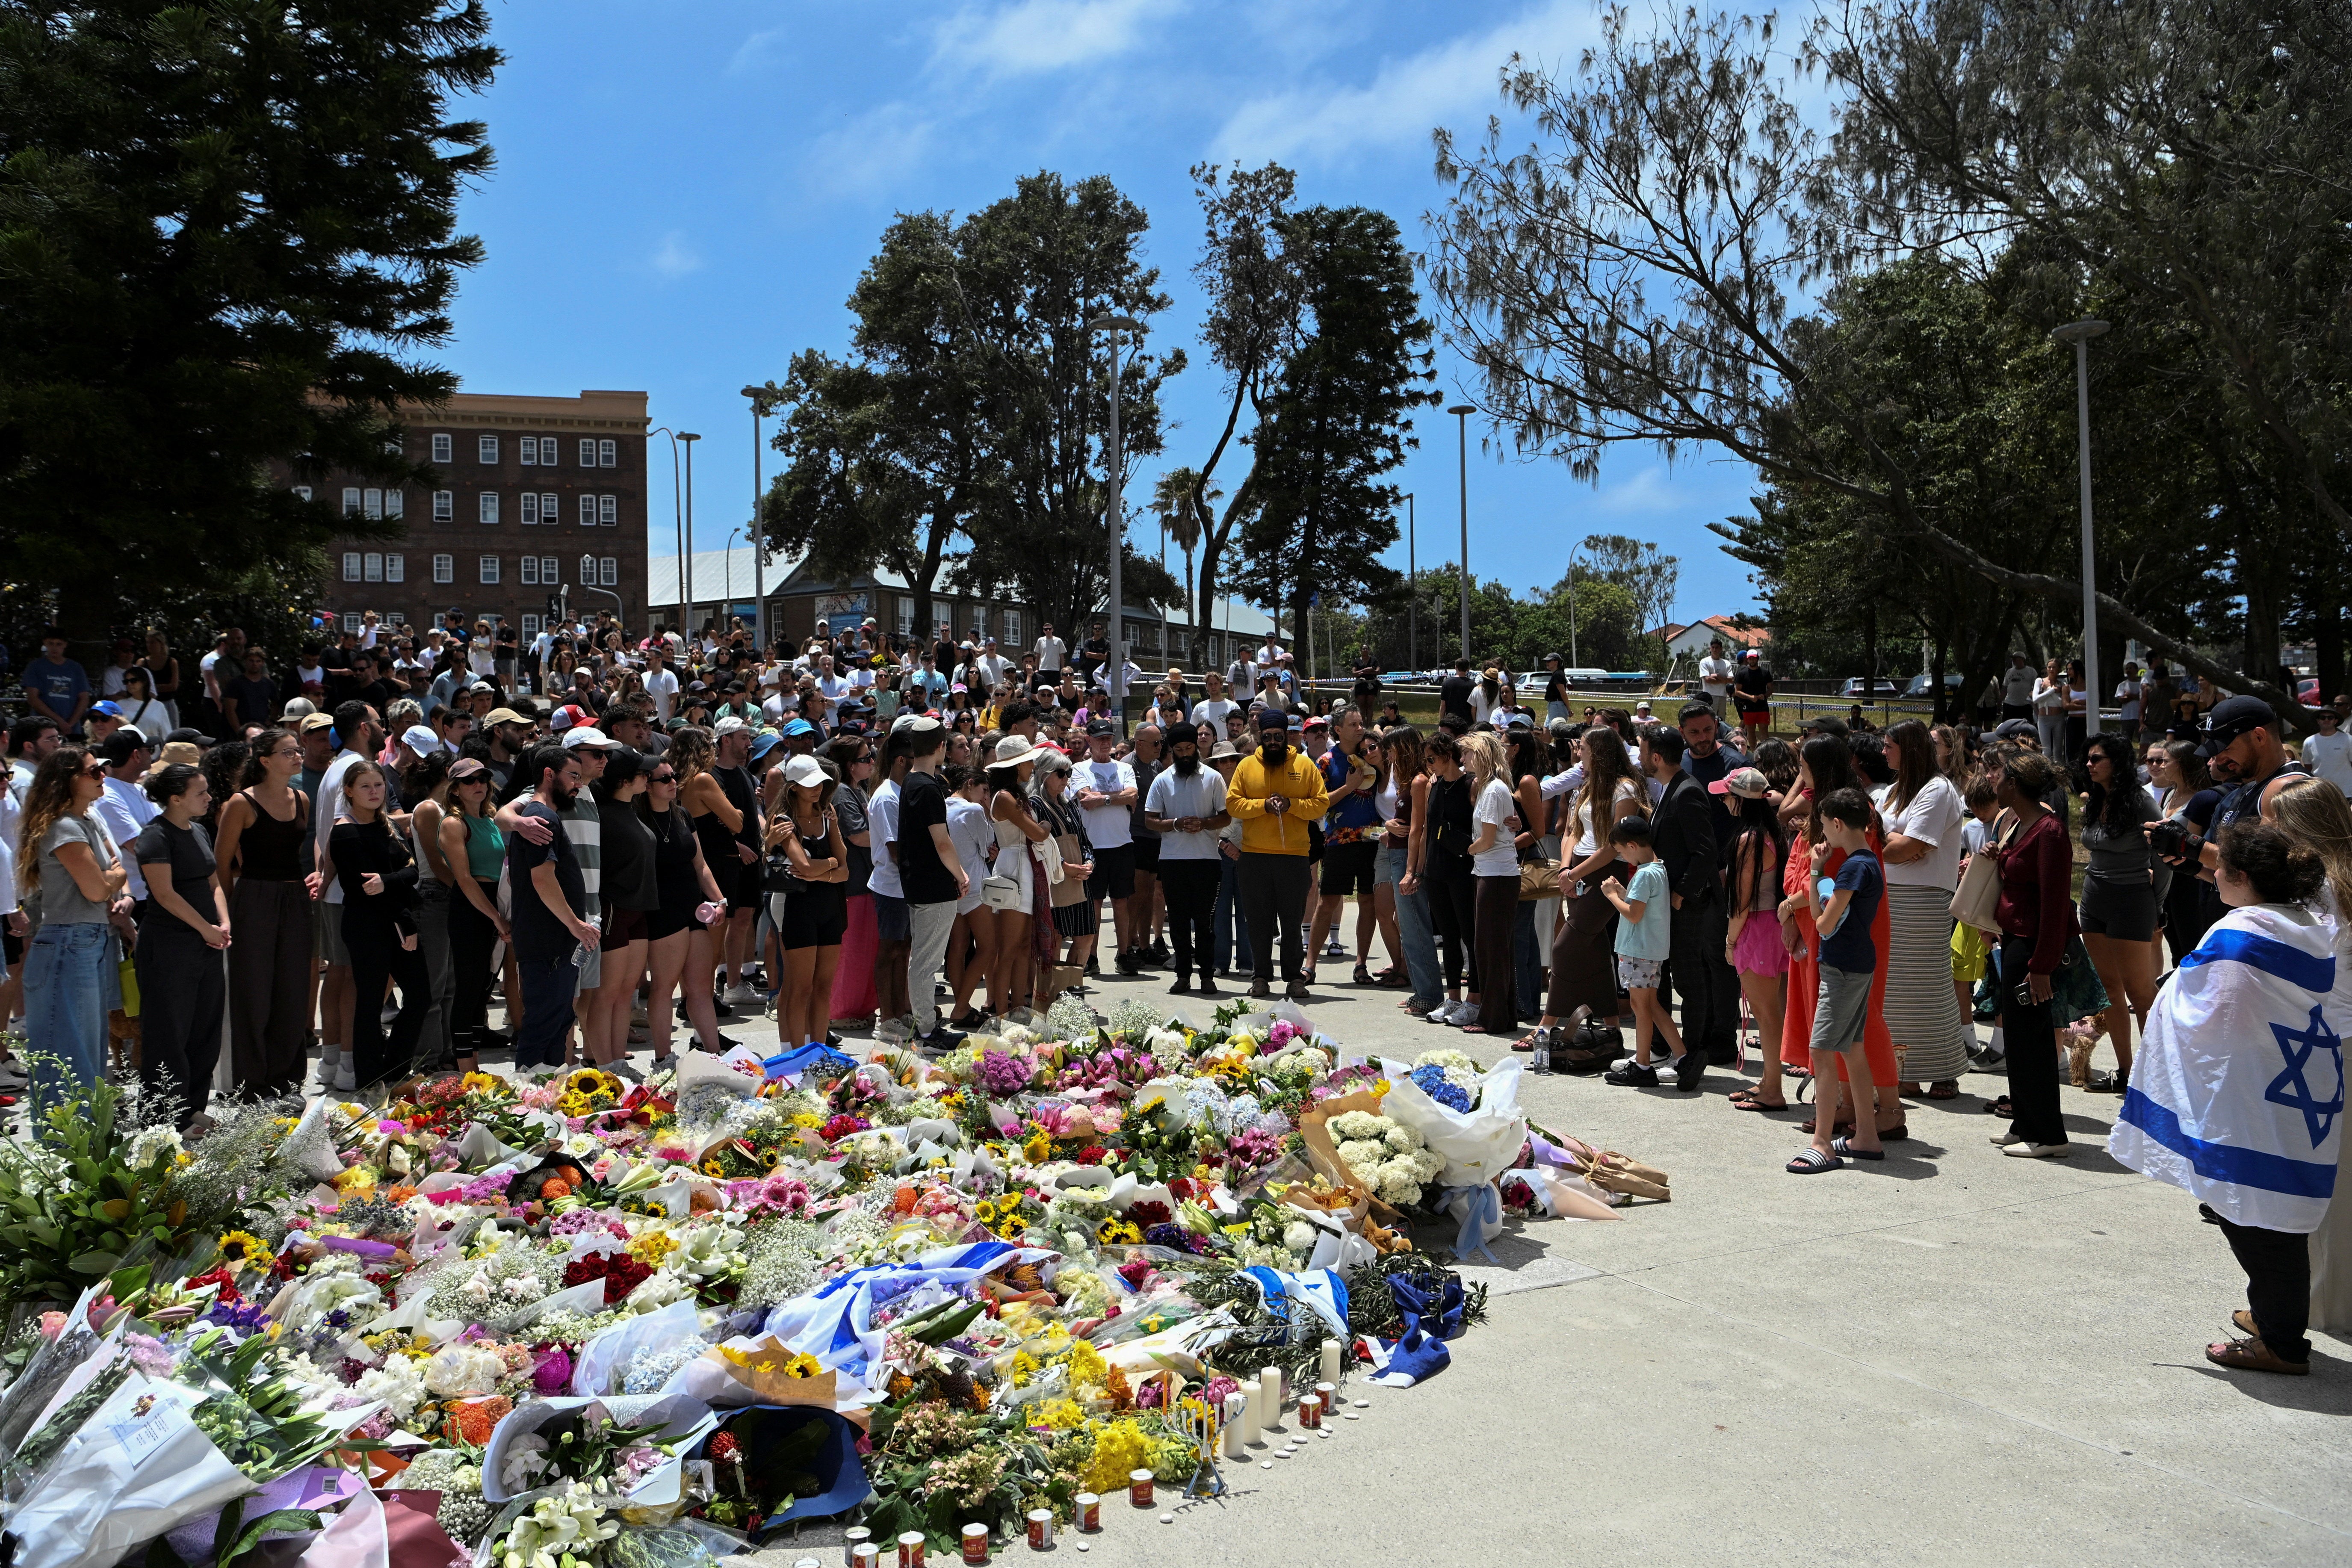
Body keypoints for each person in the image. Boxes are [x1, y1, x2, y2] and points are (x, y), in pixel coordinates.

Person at [2111, 822, 2350, 1375]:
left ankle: (2282, 1342)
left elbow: (2211, 1009)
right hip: (2299, 1087)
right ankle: (2275, 1314)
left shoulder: (2241, 932)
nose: (2211, 872)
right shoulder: (2304, 922)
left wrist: (2172, 986)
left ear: (2241, 878)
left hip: (2254, 1096)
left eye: (2220, 868)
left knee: (2248, 1212)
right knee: (2277, 1212)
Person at [18, 746, 127, 1108]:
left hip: (91, 938)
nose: (103, 777)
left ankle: (89, 1153)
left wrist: (111, 876)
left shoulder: (89, 819)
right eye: (94, 771)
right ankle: (61, 1153)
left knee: (91, 1056)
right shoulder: (63, 826)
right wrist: (116, 876)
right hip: (68, 942)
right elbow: (98, 887)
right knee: (67, 1057)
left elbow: (109, 874)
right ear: (68, 779)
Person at [1785, 788, 1888, 1172]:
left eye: (1825, 824)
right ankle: (1866, 1136)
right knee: (1852, 1050)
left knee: (1822, 1051)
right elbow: (1820, 915)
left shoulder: (1854, 868)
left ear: (1838, 824)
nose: (1823, 832)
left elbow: (1823, 924)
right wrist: (1815, 871)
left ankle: (1822, 1143)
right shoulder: (1863, 862)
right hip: (1853, 964)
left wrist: (1823, 904)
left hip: (1844, 967)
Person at [212, 726, 313, 1096]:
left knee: (293, 989)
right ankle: (250, 1083)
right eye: (288, 752)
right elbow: (221, 863)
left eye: (298, 750)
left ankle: (286, 1079)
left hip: (295, 898)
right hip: (253, 898)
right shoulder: (241, 802)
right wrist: (228, 911)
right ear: (265, 760)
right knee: (253, 993)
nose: (297, 756)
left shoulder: (302, 798)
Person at [1985, 750, 2074, 1158]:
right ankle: (2024, 1122)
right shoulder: (2019, 824)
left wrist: (2043, 966)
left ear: (2014, 785)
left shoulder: (2050, 831)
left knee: (2035, 1044)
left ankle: (2048, 1134)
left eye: (1999, 777)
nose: (1993, 783)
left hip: (2034, 946)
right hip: (2014, 939)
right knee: (2019, 1043)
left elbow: (2056, 904)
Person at [1875, 720, 1971, 1099]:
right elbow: (1893, 846)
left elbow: (1909, 847)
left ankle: (1945, 1069)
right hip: (1890, 894)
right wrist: (1894, 844)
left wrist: (1886, 843)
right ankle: (1907, 1071)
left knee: (1929, 987)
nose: (1883, 752)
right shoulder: (1892, 791)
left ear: (1909, 748)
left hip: (1926, 898)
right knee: (1896, 992)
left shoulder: (1938, 789)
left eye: (1889, 746)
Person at [1535, 725, 1643, 1063]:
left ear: (1598, 751)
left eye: (1581, 747)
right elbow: (1572, 830)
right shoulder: (1587, 784)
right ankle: (1612, 1027)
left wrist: (1576, 873)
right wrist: (1567, 868)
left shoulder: (1625, 789)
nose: (1576, 752)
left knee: (1564, 949)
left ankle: (1545, 1025)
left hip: (1604, 874)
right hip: (1577, 870)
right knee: (1596, 953)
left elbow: (1615, 846)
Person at [128, 763, 228, 1128]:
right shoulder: (155, 835)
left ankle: (191, 1110)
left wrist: (223, 921)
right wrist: (206, 928)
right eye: (200, 792)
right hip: (170, 947)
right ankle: (162, 1117)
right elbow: (165, 894)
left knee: (205, 1029)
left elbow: (213, 880)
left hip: (207, 943)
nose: (208, 797)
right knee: (169, 1033)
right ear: (175, 798)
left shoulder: (199, 829)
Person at [327, 760, 425, 1088]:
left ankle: (394, 1068)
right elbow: (363, 888)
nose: (374, 792)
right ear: (350, 791)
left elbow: (413, 872)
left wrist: (388, 880)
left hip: (397, 919)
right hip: (368, 925)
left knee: (420, 995)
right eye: (366, 786)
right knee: (370, 1002)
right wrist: (405, 920)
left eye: (379, 785)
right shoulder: (344, 831)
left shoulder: (390, 824)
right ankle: (369, 1079)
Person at [2076, 731, 2161, 1092]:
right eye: (2089, 759)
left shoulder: (2141, 802)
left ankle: (2155, 1077)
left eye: (2097, 759)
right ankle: (2126, 1073)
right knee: (2108, 988)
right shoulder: (2096, 799)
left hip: (2132, 898)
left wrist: (2155, 902)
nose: (2089, 765)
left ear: (2118, 763)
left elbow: (2164, 853)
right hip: (2094, 898)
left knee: (2140, 992)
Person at [1636, 727, 1720, 1088]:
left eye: (1642, 752)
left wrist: (1681, 893)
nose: (1639, 758)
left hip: (1687, 905)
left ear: (1657, 757)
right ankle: (1673, 1048)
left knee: (1690, 978)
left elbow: (1705, 852)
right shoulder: (1671, 790)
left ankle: (1693, 1052)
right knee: (1670, 974)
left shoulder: (1686, 792)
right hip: (1669, 905)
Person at [1226, 709, 1329, 1000]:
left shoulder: (1305, 765)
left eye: (1278, 737)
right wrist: (1264, 807)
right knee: (1257, 921)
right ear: (1260, 736)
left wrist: (1291, 804)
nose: (1272, 741)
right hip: (1255, 857)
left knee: (1292, 921)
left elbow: (1320, 804)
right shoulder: (1246, 766)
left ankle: (1295, 978)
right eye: (1267, 737)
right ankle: (1260, 976)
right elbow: (1233, 804)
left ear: (1287, 736)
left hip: (1294, 857)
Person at [505, 745, 596, 1072]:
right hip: (548, 944)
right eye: (573, 776)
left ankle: (547, 1104)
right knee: (543, 1026)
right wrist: (577, 925)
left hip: (555, 943)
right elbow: (542, 880)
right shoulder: (540, 817)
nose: (578, 784)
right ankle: (526, 1103)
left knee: (559, 1024)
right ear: (548, 775)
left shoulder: (540, 816)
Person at [638, 756, 731, 1062]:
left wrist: (720, 900)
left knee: (700, 989)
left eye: (674, 776)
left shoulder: (684, 815)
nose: (672, 782)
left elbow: (700, 865)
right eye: (664, 779)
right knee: (664, 987)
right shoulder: (638, 818)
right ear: (646, 785)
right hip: (662, 911)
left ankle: (714, 1054)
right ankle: (663, 1058)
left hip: (693, 907)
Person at [1712, 768, 1793, 1110]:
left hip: (1757, 929)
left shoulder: (1750, 840)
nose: (1723, 800)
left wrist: (1730, 942)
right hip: (1770, 927)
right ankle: (1768, 1082)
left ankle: (1773, 1089)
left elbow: (1741, 901)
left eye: (1727, 794)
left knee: (1767, 1014)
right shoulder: (1769, 833)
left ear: (1741, 800)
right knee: (1769, 1012)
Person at [767, 754, 849, 1048]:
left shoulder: (828, 816)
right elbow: (803, 865)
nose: (817, 790)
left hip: (829, 906)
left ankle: (820, 1051)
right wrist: (829, 865)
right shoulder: (784, 821)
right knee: (801, 987)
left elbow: (846, 870)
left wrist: (821, 872)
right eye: (809, 784)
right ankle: (795, 1052)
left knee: (823, 987)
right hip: (797, 907)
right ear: (793, 788)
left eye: (820, 783)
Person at [1143, 723, 1230, 996]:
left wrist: (1204, 823)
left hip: (1207, 860)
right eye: (1178, 750)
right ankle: (1183, 976)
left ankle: (1207, 976)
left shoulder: (1214, 778)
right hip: (1173, 861)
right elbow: (1150, 820)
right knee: (1179, 923)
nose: (1184, 754)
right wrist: (1177, 824)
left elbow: (1226, 816)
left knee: (1205, 923)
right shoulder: (1162, 780)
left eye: (1189, 749)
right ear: (1172, 750)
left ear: (1197, 747)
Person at [1596, 813, 1683, 1082]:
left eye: (1622, 851)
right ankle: (1682, 1054)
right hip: (1650, 951)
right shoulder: (1658, 869)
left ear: (1632, 846)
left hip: (1639, 952)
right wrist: (1624, 893)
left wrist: (1612, 896)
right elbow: (1642, 906)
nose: (1624, 856)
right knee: (1652, 1005)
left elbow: (1634, 915)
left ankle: (1643, 1066)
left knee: (1640, 1006)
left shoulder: (1645, 874)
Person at [896, 717, 966, 1050]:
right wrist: (961, 874)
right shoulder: (926, 786)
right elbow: (942, 842)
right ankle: (926, 1029)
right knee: (925, 963)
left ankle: (925, 1024)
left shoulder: (912, 781)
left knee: (922, 960)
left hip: (917, 884)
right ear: (940, 747)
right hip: (933, 886)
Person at [437, 757, 507, 1073]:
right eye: (469, 780)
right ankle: (467, 1070)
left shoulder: (491, 820)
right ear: (455, 790)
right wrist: (495, 917)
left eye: (483, 778)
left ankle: (474, 1067)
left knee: (483, 990)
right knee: (468, 989)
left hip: (495, 904)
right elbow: (464, 879)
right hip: (471, 907)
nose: (478, 784)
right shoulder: (454, 823)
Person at [588, 747, 656, 1072]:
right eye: (644, 773)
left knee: (627, 991)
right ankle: (604, 1065)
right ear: (626, 780)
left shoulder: (632, 809)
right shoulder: (601, 814)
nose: (650, 777)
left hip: (639, 909)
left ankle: (618, 1061)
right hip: (615, 908)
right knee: (608, 993)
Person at [1308, 708, 1380, 984]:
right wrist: (1349, 787)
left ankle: (1361, 964)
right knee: (1328, 901)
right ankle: (1311, 963)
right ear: (1337, 729)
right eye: (1353, 724)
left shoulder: (1372, 757)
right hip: (1339, 840)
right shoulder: (1326, 761)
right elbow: (1317, 803)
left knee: (1368, 901)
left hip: (1373, 839)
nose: (1360, 728)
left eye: (1361, 722)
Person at [1459, 731, 1524, 1037]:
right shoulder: (1491, 789)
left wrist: (1465, 849)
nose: (1463, 759)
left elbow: (1485, 840)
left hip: (1496, 875)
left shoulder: (1494, 790)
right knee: (1493, 948)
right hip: (1492, 873)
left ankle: (1493, 1018)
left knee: (1492, 949)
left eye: (1467, 753)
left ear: (1481, 755)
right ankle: (1502, 1014)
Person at [1073, 719, 1141, 973]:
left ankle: (1123, 955)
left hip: (1122, 844)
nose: (1106, 743)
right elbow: (1085, 800)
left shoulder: (1124, 768)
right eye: (1100, 739)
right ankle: (1091, 957)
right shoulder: (1080, 769)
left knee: (1122, 902)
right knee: (1095, 904)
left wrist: (1102, 799)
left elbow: (1132, 795)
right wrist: (1117, 798)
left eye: (1109, 738)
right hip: (1092, 846)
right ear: (1089, 741)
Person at [823, 735, 881, 1031]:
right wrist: (892, 839)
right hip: (854, 885)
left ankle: (860, 1007)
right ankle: (842, 1010)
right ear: (849, 765)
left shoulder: (859, 789)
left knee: (866, 950)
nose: (872, 761)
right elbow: (858, 835)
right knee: (853, 952)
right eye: (865, 758)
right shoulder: (843, 793)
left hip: (865, 882)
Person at [21, 630, 92, 738]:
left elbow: (84, 698)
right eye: (51, 644)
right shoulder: (35, 667)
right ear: (45, 643)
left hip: (71, 729)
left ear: (65, 645)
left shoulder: (76, 668)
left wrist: (70, 724)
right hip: (42, 728)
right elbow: (33, 699)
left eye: (59, 644)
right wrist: (59, 722)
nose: (54, 648)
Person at [2304, 704, 2352, 796]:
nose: (2326, 720)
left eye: (2330, 718)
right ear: (2318, 721)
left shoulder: (2348, 740)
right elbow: (2308, 768)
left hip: (2346, 792)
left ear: (2336, 721)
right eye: (2323, 718)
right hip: (2320, 793)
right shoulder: (2309, 742)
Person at [1731, 649, 1774, 748]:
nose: (1752, 661)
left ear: (1757, 659)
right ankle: (1754, 752)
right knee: (1751, 731)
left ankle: (1765, 752)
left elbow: (1771, 688)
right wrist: (1750, 698)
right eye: (1750, 659)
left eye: (1754, 658)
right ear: (1747, 659)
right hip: (1748, 707)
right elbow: (1737, 691)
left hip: (1762, 707)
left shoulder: (1765, 672)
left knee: (1764, 731)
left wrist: (1765, 695)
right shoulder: (1742, 673)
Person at [1698, 638, 1735, 712]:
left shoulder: (1726, 663)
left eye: (1717, 647)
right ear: (1710, 648)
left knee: (1721, 719)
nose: (1715, 650)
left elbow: (1732, 680)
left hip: (1722, 695)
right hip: (1709, 695)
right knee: (1711, 718)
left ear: (1721, 649)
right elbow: (1708, 679)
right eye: (1713, 647)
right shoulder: (1705, 662)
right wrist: (1724, 680)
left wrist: (1717, 676)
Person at [1438, 659, 1476, 726]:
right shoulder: (1473, 685)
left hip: (1450, 720)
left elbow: (1443, 706)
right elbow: (1474, 708)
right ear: (1468, 669)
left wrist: (1441, 723)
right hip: (1467, 722)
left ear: (1456, 667)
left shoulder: (1446, 683)